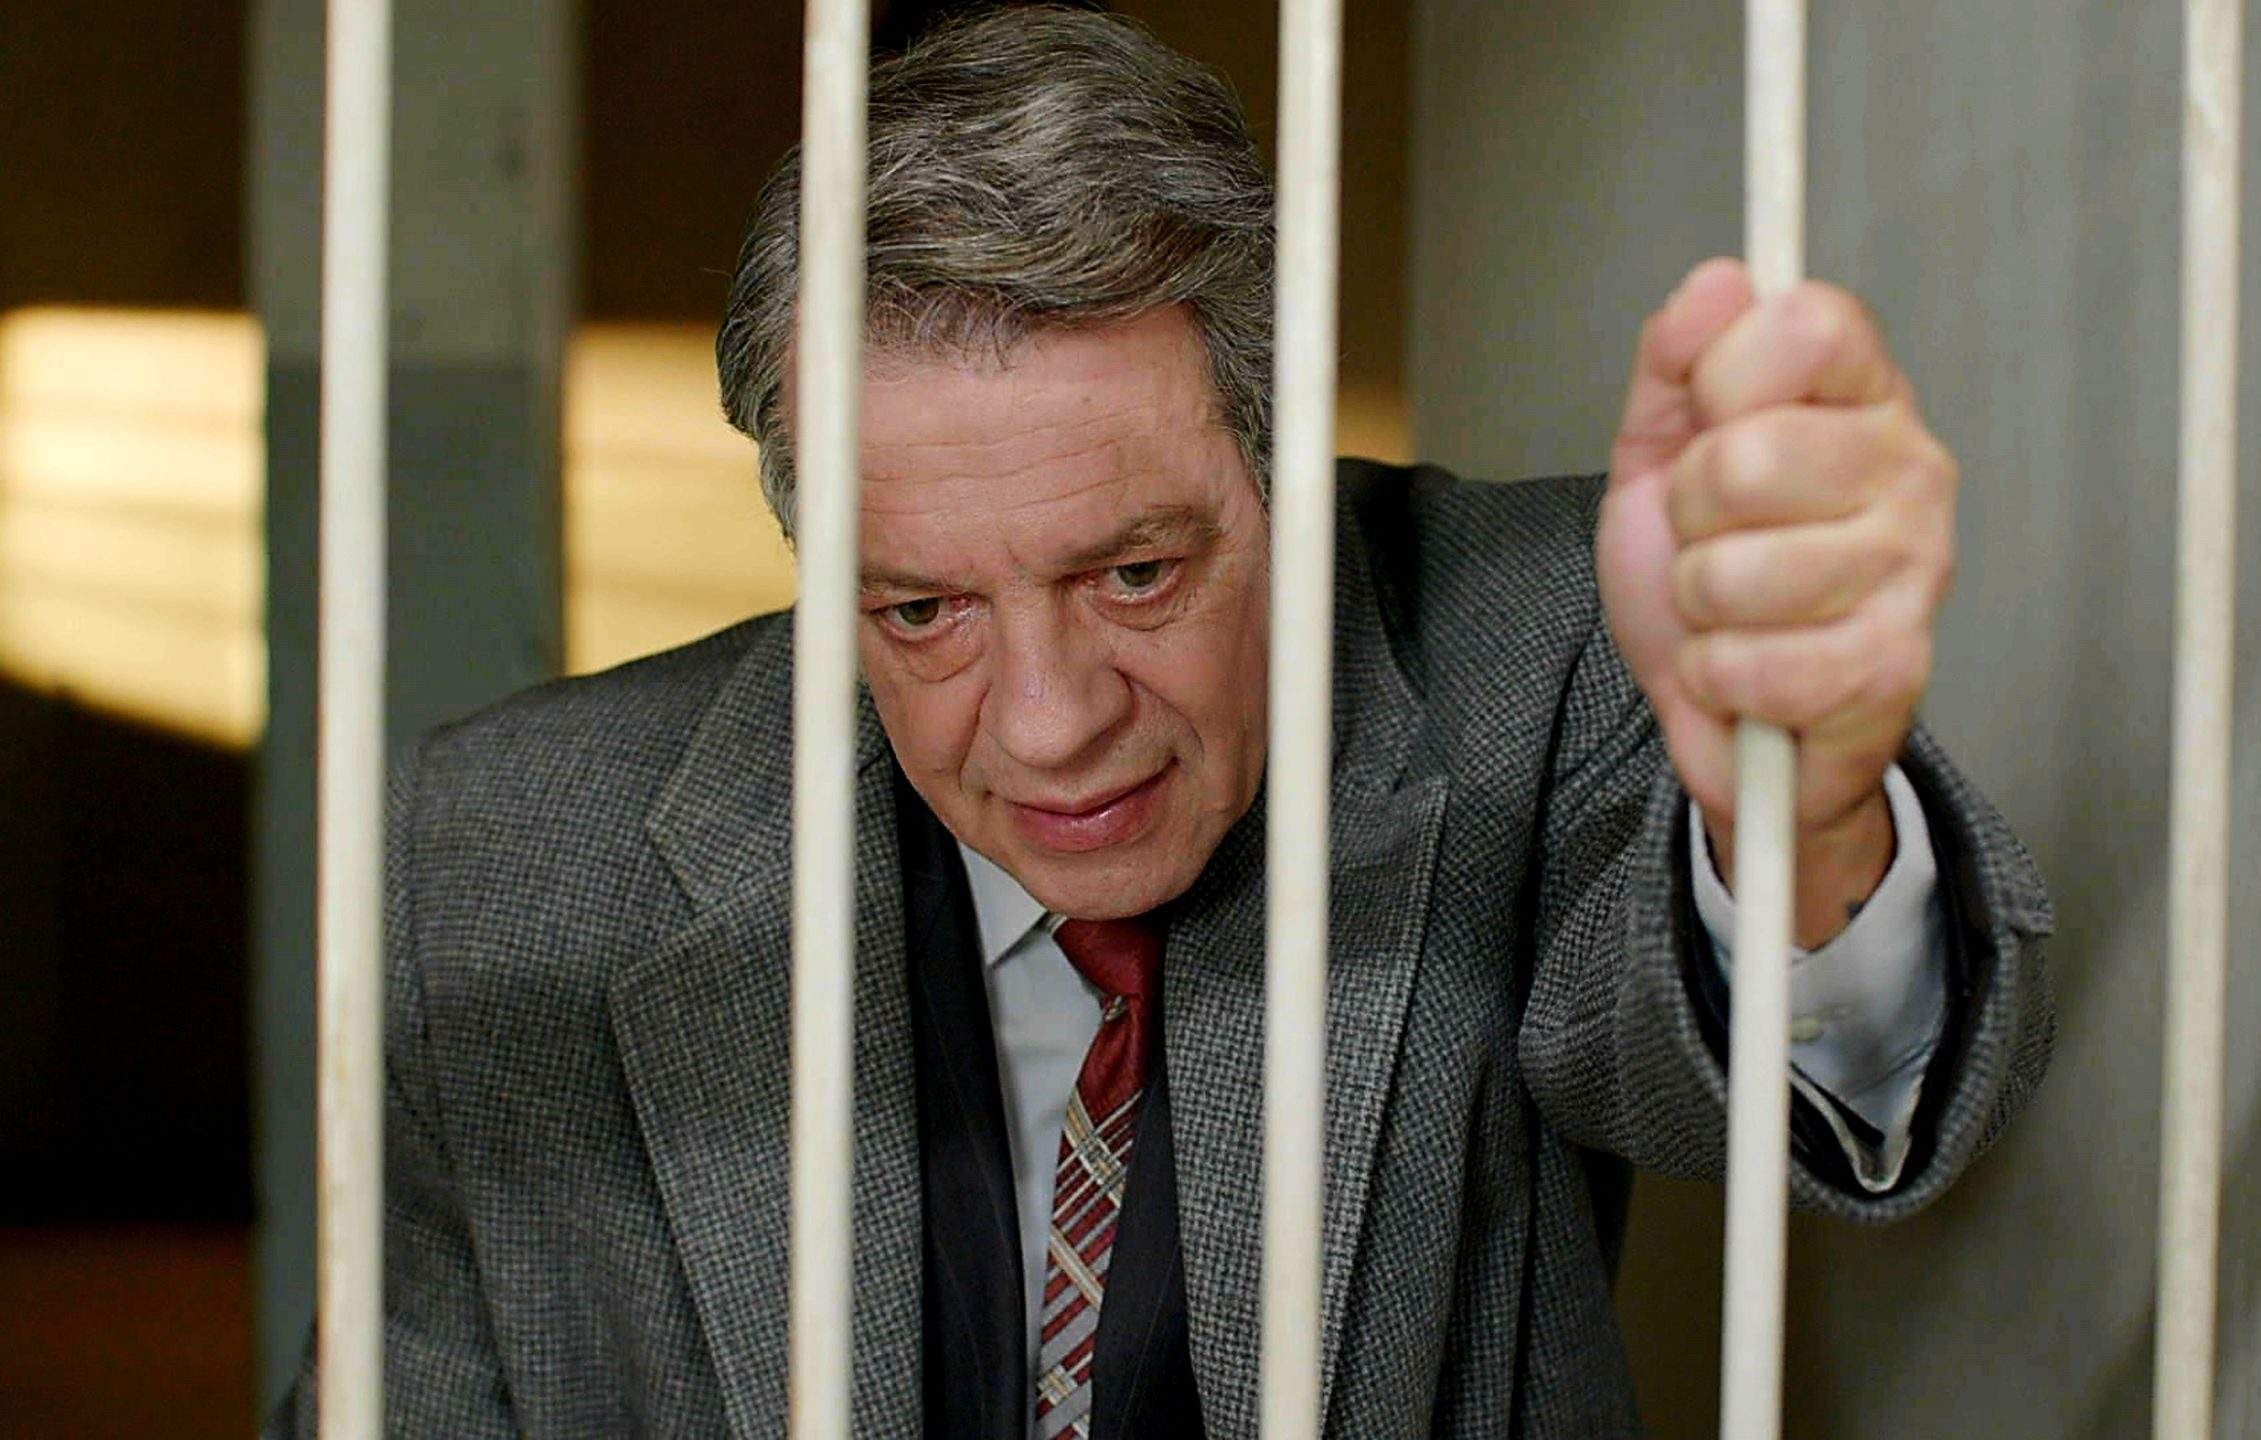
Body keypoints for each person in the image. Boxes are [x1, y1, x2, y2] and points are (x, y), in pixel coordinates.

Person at [269, 7, 2052, 1437]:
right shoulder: (502, 855)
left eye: (1134, 575)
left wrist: (1801, 803)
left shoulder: (1532, 649)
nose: (1049, 728)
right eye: (920, 610)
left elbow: (1797, 1090)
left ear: (1286, 479)